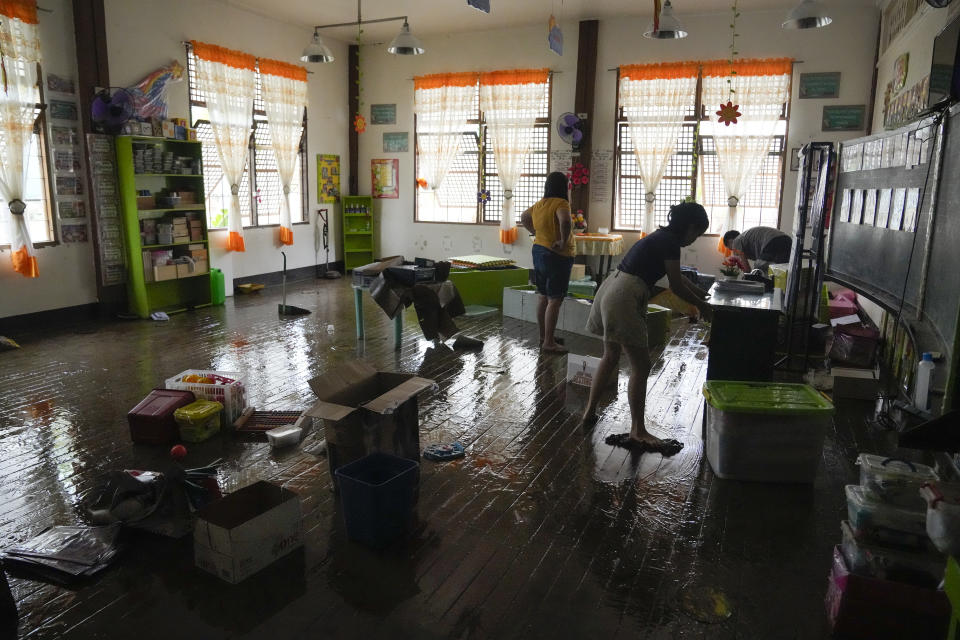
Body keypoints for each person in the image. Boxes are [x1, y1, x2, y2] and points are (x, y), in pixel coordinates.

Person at [581, 202, 713, 454]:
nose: (694, 239)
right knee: (641, 365)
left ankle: (589, 413)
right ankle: (638, 429)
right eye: (696, 233)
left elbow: (678, 277)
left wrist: (701, 295)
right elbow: (675, 285)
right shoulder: (671, 242)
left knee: (610, 356)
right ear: (690, 227)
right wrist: (702, 307)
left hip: (612, 286)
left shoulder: (662, 237)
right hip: (625, 294)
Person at [520, 171, 575, 354]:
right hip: (556, 255)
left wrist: (535, 233)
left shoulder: (540, 204)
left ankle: (545, 337)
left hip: (539, 251)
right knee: (555, 299)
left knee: (543, 295)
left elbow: (524, 217)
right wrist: (563, 241)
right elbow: (565, 221)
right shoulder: (561, 203)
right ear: (563, 187)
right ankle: (549, 342)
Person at [722, 226, 792, 273]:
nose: (734, 252)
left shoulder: (736, 241)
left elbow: (747, 270)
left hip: (773, 241)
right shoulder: (746, 238)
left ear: (730, 241)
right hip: (787, 240)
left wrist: (747, 281)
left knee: (759, 267)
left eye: (731, 248)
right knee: (781, 271)